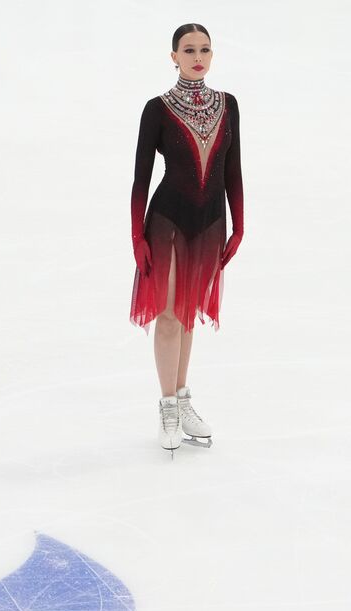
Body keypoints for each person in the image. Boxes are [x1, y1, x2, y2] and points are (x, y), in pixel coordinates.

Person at [129, 22, 244, 451]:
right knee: (170, 315)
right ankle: (167, 408)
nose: (198, 57)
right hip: (168, 220)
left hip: (210, 221)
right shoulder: (156, 109)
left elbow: (233, 169)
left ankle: (182, 397)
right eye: (189, 50)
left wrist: (240, 224)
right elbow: (140, 179)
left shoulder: (228, 105)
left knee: (190, 310)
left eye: (205, 50)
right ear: (173, 56)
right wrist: (136, 234)